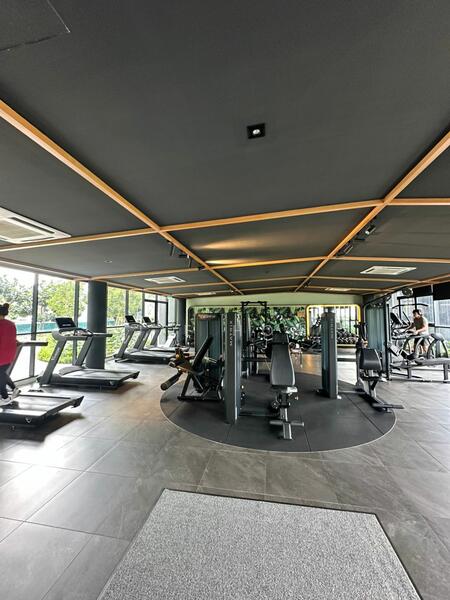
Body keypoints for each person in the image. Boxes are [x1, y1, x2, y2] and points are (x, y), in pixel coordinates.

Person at [0, 303, 20, 406]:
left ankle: (5, 398)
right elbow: (12, 338)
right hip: (9, 354)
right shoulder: (11, 324)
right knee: (1, 373)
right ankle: (14, 388)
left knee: (0, 375)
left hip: (1, 354)